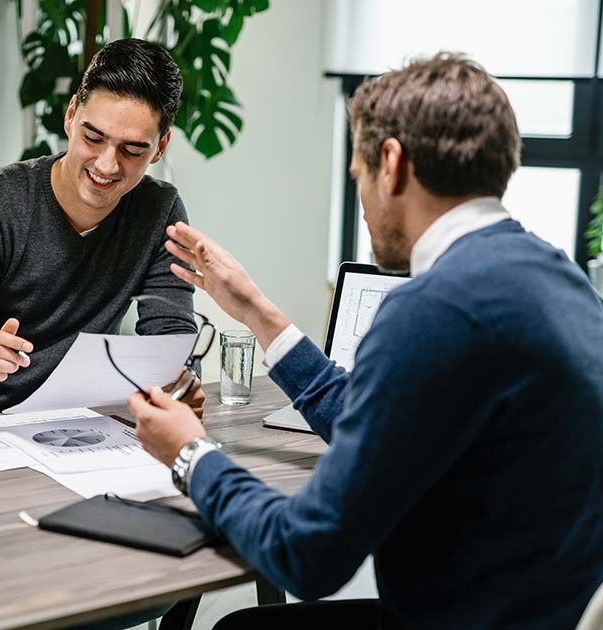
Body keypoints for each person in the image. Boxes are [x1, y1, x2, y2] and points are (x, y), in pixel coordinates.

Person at [128, 53, 603, 629]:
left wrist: (189, 452)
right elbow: (383, 418)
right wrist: (256, 310)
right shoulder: (559, 278)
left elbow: (305, 556)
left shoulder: (431, 309)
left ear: (393, 164)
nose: (362, 198)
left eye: (358, 175)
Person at [0, 38, 204, 419]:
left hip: (87, 422)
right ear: (71, 116)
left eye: (132, 150)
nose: (107, 165)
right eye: (93, 137)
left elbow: (170, 336)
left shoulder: (159, 211)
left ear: (160, 147)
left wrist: (178, 383)